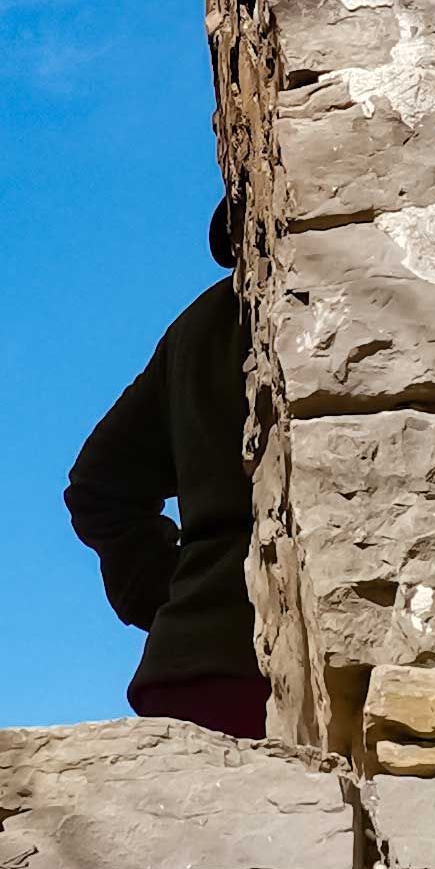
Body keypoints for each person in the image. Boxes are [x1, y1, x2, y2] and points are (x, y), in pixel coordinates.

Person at [66, 194, 268, 738]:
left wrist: (178, 596)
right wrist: (173, 591)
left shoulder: (199, 328)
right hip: (245, 665)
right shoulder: (216, 324)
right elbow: (98, 485)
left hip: (199, 662)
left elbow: (98, 485)